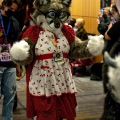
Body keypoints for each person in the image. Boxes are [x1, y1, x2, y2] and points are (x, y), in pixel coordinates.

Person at [10, 0, 104, 119]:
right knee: (45, 114)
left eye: (61, 16)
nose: (56, 21)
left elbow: (76, 49)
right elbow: (26, 57)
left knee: (63, 114)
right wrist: (20, 54)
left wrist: (90, 46)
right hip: (42, 82)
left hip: (63, 81)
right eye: (52, 15)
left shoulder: (66, 32)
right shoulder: (34, 32)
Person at [0, 0, 21, 119]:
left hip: (10, 64)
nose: (13, 12)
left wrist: (18, 65)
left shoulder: (14, 22)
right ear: (4, 5)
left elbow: (16, 45)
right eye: (11, 9)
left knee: (10, 96)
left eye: (15, 10)